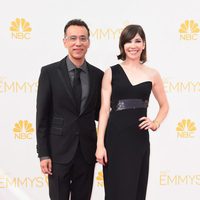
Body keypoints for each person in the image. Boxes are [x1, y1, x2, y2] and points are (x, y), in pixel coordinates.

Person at [96, 24, 169, 200]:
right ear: (123, 45)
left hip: (139, 140)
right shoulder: (111, 72)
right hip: (115, 139)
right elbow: (104, 110)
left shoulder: (153, 74)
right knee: (115, 191)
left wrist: (155, 123)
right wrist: (100, 145)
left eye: (137, 40)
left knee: (136, 190)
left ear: (143, 45)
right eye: (128, 41)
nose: (133, 45)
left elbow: (165, 105)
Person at [36, 19, 103, 200]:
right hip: (58, 152)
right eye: (73, 38)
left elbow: (100, 113)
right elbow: (42, 117)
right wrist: (43, 154)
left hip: (86, 152)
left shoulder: (98, 75)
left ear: (89, 42)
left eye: (83, 38)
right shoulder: (49, 73)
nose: (78, 43)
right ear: (64, 41)